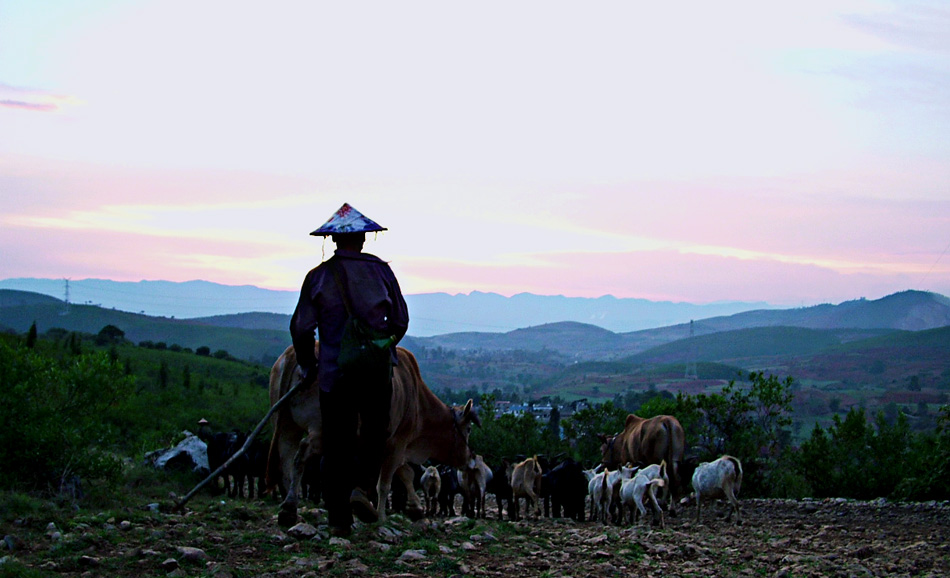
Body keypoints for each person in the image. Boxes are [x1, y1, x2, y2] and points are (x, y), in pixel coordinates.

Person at [290, 203, 409, 537]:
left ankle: (338, 521)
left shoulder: (318, 277)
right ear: (363, 239)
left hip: (334, 375)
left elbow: (301, 329)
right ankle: (362, 488)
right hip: (375, 373)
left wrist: (307, 364)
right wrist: (381, 348)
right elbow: (400, 321)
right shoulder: (383, 272)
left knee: (336, 443)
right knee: (375, 433)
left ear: (332, 240)